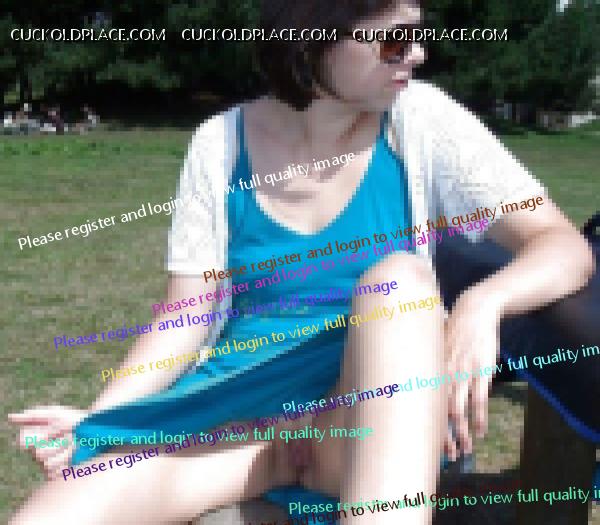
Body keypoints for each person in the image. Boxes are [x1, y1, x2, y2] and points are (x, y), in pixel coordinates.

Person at [9, 1, 594, 524]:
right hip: (240, 421)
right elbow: (185, 316)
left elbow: (561, 244)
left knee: (402, 284)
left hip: (366, 417)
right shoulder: (220, 145)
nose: (416, 54)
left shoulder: (419, 120)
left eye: (418, 35)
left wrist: (482, 303)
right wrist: (98, 420)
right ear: (316, 35)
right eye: (395, 40)